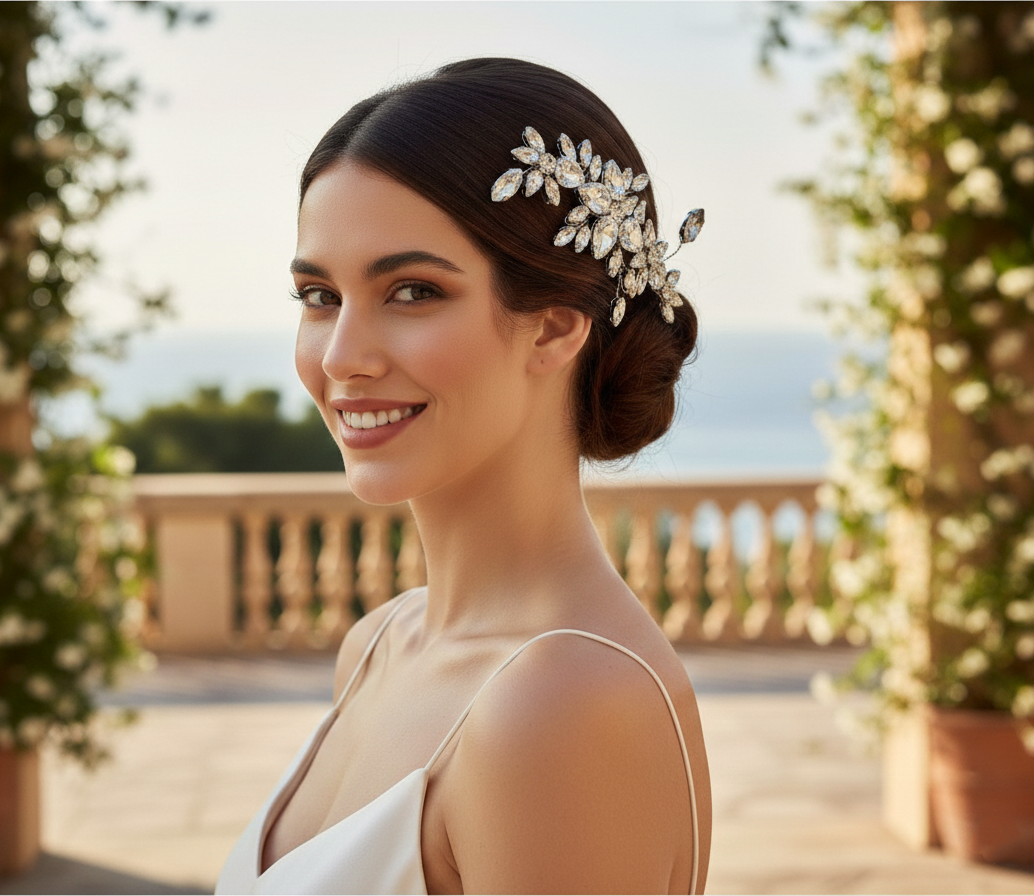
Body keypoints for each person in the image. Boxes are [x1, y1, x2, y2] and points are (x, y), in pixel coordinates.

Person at [217, 57, 712, 895]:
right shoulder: (379, 646)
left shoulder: (563, 705)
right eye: (320, 296)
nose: (341, 358)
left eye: (412, 291)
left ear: (554, 328)